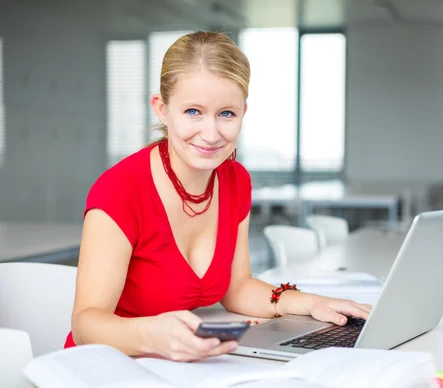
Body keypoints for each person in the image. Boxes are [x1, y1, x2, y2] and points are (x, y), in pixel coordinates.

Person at [67, 31, 371, 362]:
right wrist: (152, 334)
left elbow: (237, 288)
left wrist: (312, 303)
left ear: (243, 111)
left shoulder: (234, 179)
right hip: (105, 368)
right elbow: (86, 325)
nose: (211, 134)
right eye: (193, 112)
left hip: (175, 368)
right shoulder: (120, 190)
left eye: (226, 114)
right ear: (162, 109)